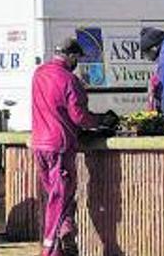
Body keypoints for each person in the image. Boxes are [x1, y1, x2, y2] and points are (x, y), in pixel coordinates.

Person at [31, 38, 118, 256]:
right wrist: (101, 121)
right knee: (60, 200)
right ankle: (50, 250)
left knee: (55, 195)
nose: (77, 63)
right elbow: (79, 117)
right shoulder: (70, 80)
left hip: (39, 144)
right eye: (77, 58)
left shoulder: (39, 74)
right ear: (71, 56)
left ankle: (66, 234)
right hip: (60, 146)